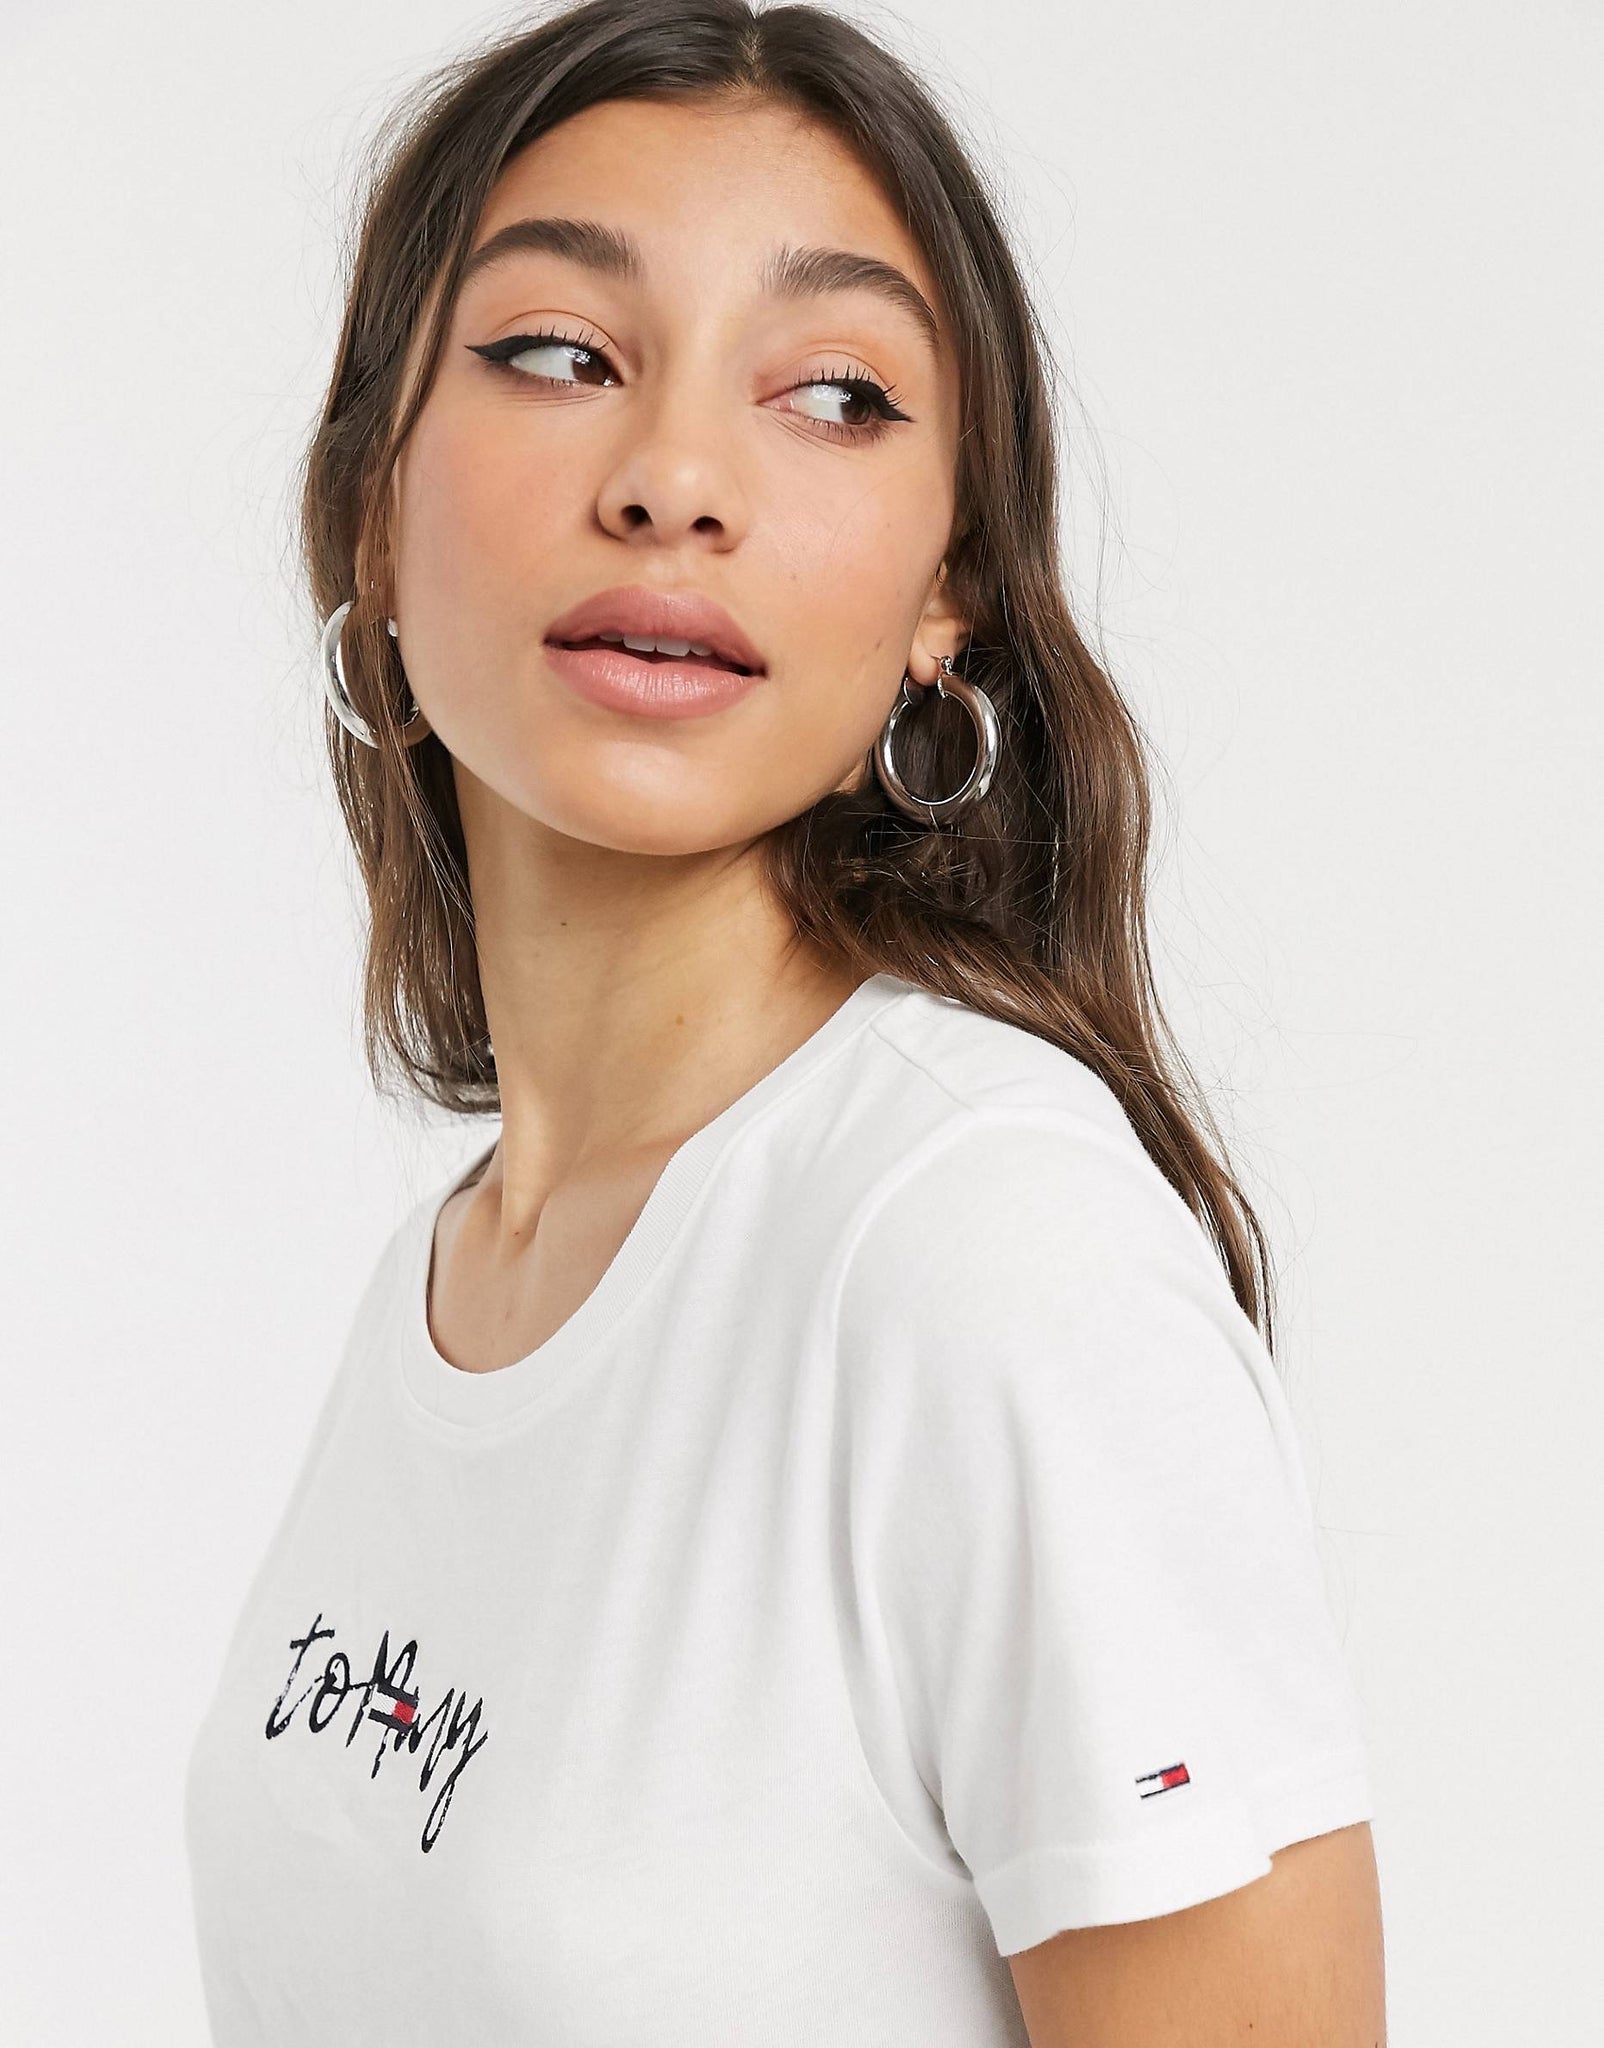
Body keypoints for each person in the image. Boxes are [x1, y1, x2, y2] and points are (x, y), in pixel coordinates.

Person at [182, 2, 1386, 2040]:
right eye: (560, 353)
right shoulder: (456, 1274)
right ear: (374, 504)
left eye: (834, 394)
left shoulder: (987, 1253)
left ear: (945, 597)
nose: (673, 480)